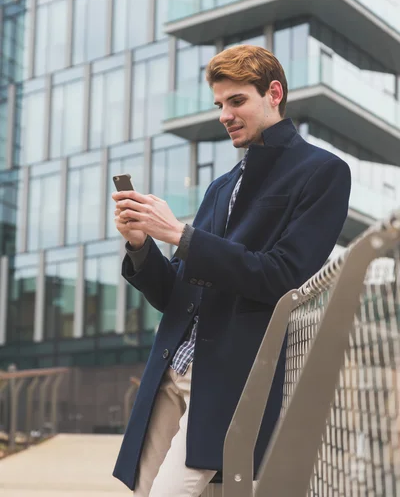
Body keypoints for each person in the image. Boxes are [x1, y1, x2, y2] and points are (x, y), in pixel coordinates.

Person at [112, 45, 351, 497]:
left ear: (273, 93)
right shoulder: (222, 187)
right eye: (220, 104)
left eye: (237, 100)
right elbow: (177, 295)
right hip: (170, 368)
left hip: (230, 375)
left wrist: (181, 235)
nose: (225, 114)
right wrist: (142, 244)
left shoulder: (323, 172)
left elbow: (283, 276)